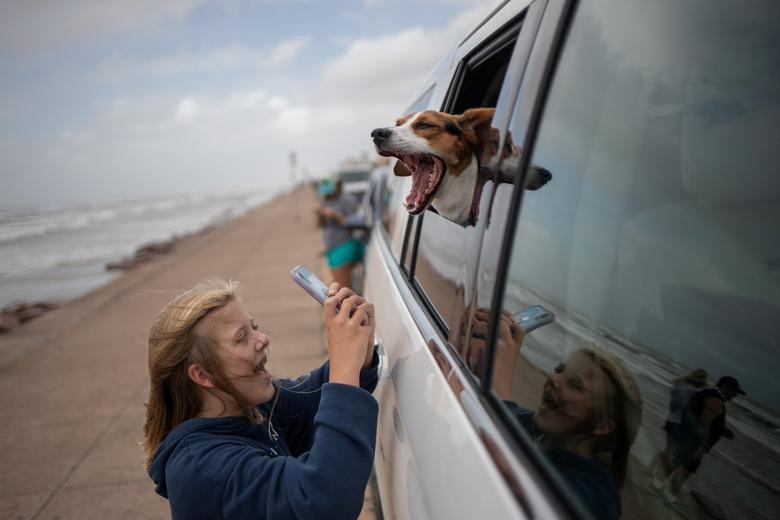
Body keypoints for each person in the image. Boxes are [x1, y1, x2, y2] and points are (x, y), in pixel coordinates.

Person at [142, 279, 379, 520]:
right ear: (202, 375)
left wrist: (360, 353)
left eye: (254, 326)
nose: (263, 338)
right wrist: (344, 369)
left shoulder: (249, 408)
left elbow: (310, 398)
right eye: (242, 337)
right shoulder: (205, 468)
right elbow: (323, 500)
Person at [461, 309, 643, 520]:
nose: (554, 379)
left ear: (602, 426)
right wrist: (474, 355)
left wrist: (498, 381)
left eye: (574, 384)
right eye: (559, 369)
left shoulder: (596, 495)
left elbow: (512, 479)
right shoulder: (533, 427)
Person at [653, 375, 745, 505]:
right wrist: (702, 445)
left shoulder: (707, 394)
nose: (735, 395)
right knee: (684, 470)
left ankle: (657, 485)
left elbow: (700, 416)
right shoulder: (716, 400)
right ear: (725, 388)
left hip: (687, 436)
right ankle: (668, 495)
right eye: (734, 392)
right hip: (694, 441)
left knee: (677, 463)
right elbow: (705, 421)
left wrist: (721, 430)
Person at [648, 368, 709, 483]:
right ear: (700, 380)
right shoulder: (693, 391)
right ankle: (656, 475)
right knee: (671, 453)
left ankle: (649, 469)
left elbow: (674, 404)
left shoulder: (679, 385)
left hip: (670, 418)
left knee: (668, 449)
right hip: (679, 423)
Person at [315, 179, 364, 289]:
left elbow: (353, 221)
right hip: (332, 249)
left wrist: (333, 214)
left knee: (343, 288)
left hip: (344, 245)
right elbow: (321, 226)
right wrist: (319, 214)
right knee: (339, 286)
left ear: (337, 185)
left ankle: (351, 306)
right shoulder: (325, 200)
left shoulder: (348, 200)